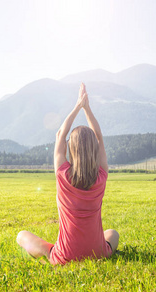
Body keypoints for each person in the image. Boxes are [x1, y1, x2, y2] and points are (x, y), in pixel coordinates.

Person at [16, 83, 119, 265]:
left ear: (71, 149)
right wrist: (87, 109)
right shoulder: (101, 177)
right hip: (99, 253)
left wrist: (78, 106)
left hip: (66, 256)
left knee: (21, 235)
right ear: (94, 149)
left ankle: (49, 252)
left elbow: (59, 135)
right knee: (113, 234)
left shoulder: (63, 174)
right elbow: (99, 136)